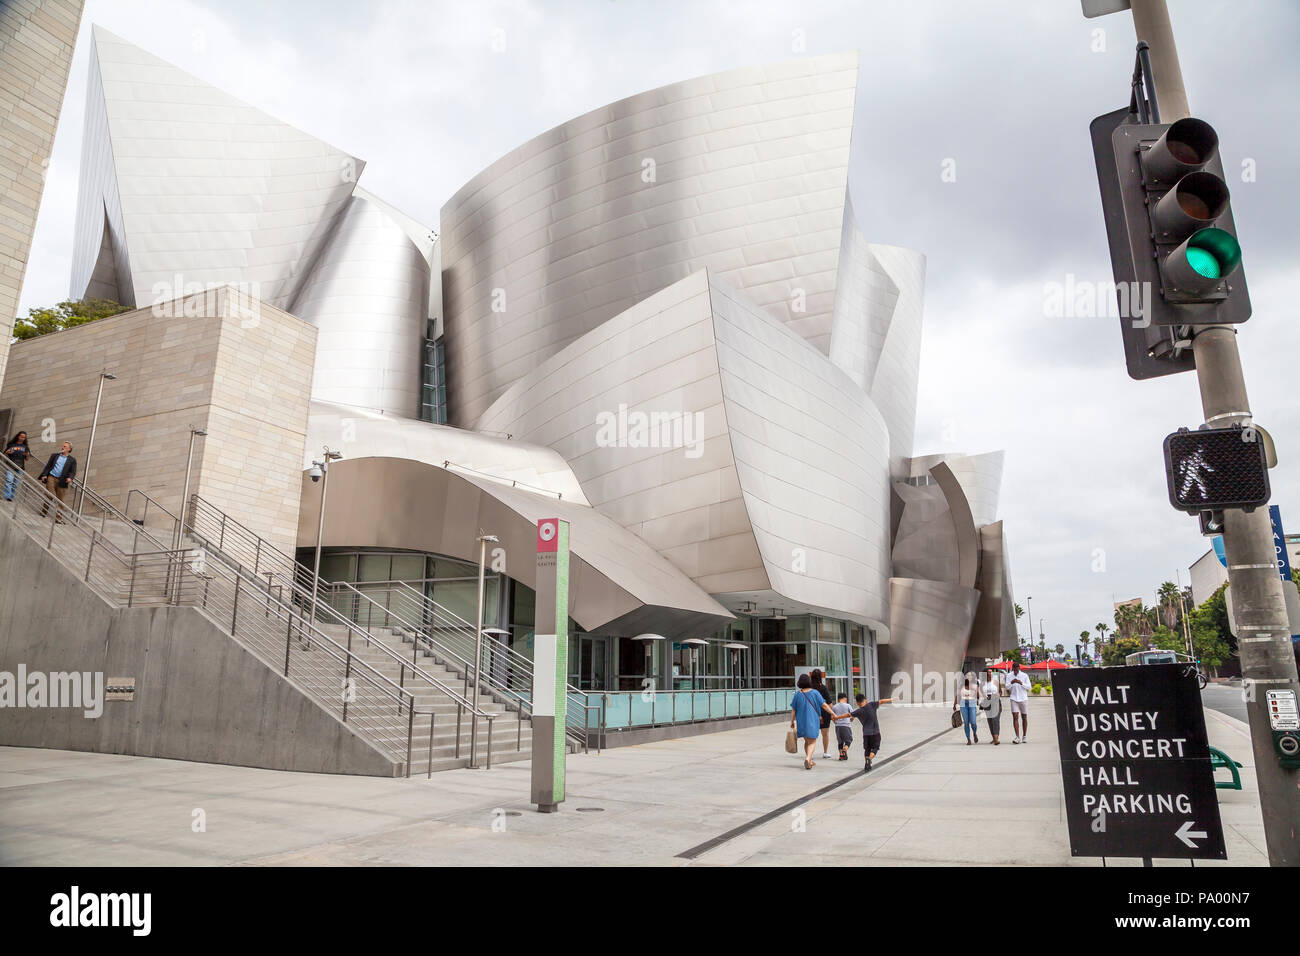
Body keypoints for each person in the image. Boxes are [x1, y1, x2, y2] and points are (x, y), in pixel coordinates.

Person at [789, 673, 838, 770]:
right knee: (813, 741)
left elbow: (793, 710)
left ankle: (810, 760)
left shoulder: (798, 694)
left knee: (807, 741)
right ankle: (808, 759)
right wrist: (833, 713)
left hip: (801, 721)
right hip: (812, 720)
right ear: (809, 681)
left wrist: (791, 721)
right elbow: (824, 705)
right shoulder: (815, 693)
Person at [848, 692, 896, 771]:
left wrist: (837, 717)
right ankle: (870, 758)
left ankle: (867, 764)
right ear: (865, 700)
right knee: (875, 747)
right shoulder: (871, 705)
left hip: (866, 734)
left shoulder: (858, 711)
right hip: (875, 732)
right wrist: (891, 699)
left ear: (857, 702)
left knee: (867, 749)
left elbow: (849, 715)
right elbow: (882, 701)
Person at [37, 441, 77, 522]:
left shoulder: (72, 460)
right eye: (62, 446)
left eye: (65, 446)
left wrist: (70, 478)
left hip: (62, 481)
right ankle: (44, 512)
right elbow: (48, 466)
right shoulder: (54, 456)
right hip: (51, 477)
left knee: (60, 500)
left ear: (69, 449)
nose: (63, 448)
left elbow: (72, 471)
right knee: (50, 495)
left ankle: (58, 518)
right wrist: (44, 475)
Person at [810, 668, 834, 760]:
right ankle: (825, 752)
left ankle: (810, 752)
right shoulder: (823, 688)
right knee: (825, 734)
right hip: (824, 714)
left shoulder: (809, 689)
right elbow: (829, 703)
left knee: (811, 735)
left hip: (812, 713)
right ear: (821, 677)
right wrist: (831, 713)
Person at [1006, 661, 1031, 744]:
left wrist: (1021, 683)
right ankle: (1017, 737)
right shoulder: (1009, 676)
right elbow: (1007, 687)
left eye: (1017, 669)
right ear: (1012, 669)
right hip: (1014, 698)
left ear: (1019, 668)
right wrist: (1011, 682)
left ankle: (1024, 736)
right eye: (1014, 669)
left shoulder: (1024, 675)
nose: (1016, 671)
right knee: (1015, 717)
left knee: (1024, 717)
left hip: (1023, 698)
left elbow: (1029, 687)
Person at [3, 431, 30, 501]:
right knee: (9, 481)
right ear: (18, 436)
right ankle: (7, 497)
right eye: (21, 436)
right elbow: (4, 455)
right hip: (10, 466)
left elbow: (27, 459)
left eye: (24, 437)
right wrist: (7, 453)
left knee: (15, 484)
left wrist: (27, 455)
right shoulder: (11, 445)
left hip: (20, 467)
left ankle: (11, 498)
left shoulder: (25, 447)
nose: (23, 438)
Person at [954, 675, 979, 745]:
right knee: (966, 722)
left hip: (972, 703)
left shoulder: (974, 686)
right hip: (963, 704)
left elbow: (978, 695)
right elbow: (957, 695)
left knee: (973, 722)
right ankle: (968, 739)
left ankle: (974, 733)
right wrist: (954, 705)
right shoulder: (960, 686)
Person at [980, 670, 1003, 745]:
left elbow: (1000, 692)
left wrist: (997, 696)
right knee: (990, 721)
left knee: (995, 720)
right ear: (986, 674)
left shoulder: (996, 682)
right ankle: (994, 738)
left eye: (992, 672)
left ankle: (996, 739)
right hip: (987, 702)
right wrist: (985, 697)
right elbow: (981, 693)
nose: (991, 673)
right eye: (989, 672)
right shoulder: (982, 683)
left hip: (996, 701)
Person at [831, 692, 853, 761]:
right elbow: (852, 715)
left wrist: (835, 722)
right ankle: (845, 749)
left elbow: (832, 717)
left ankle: (841, 755)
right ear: (845, 698)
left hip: (838, 726)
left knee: (840, 741)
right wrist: (851, 720)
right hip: (846, 726)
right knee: (849, 740)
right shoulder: (848, 706)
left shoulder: (834, 707)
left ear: (838, 699)